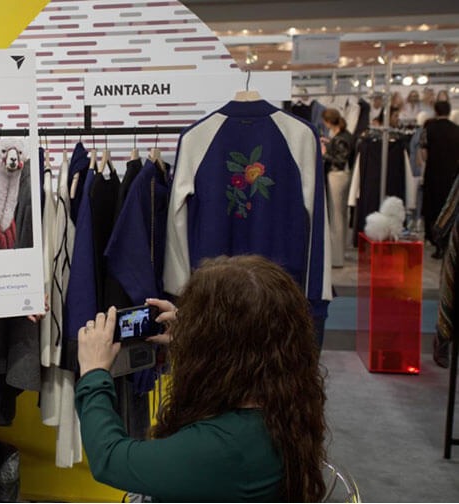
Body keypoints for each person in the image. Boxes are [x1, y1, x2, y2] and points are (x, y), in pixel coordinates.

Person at [75, 255, 327, 502]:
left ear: (215, 347)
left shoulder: (222, 448)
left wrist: (94, 373)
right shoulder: (285, 402)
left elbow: (108, 458)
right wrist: (192, 335)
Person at [421, 100, 459, 261]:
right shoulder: (457, 130)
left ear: (435, 111)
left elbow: (423, 154)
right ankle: (448, 241)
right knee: (449, 208)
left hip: (433, 174)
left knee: (433, 208)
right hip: (452, 176)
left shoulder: (429, 129)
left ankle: (437, 243)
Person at [322, 108, 355, 268]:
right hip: (341, 176)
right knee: (340, 215)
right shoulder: (343, 135)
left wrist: (324, 153)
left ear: (328, 121)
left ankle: (336, 258)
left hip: (337, 176)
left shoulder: (342, 137)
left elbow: (339, 160)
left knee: (336, 216)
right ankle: (339, 253)